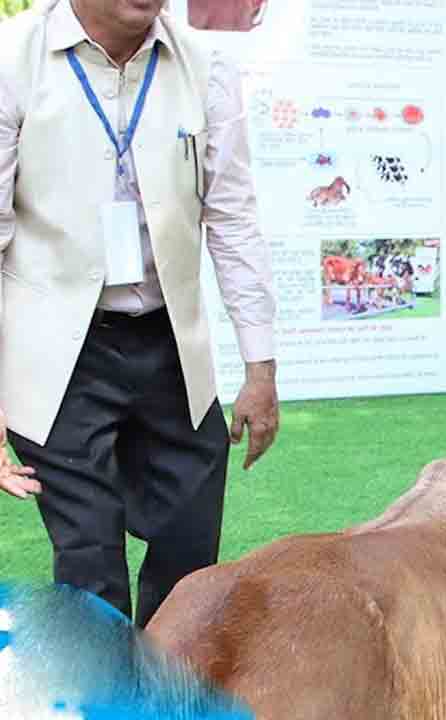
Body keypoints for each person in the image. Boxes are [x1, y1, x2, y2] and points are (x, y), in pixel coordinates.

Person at [0, 0, 279, 627]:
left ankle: (166, 688)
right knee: (90, 560)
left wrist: (261, 368)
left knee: (191, 556)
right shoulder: (11, 59)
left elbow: (232, 218)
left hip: (171, 343)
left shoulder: (205, 66)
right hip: (57, 352)